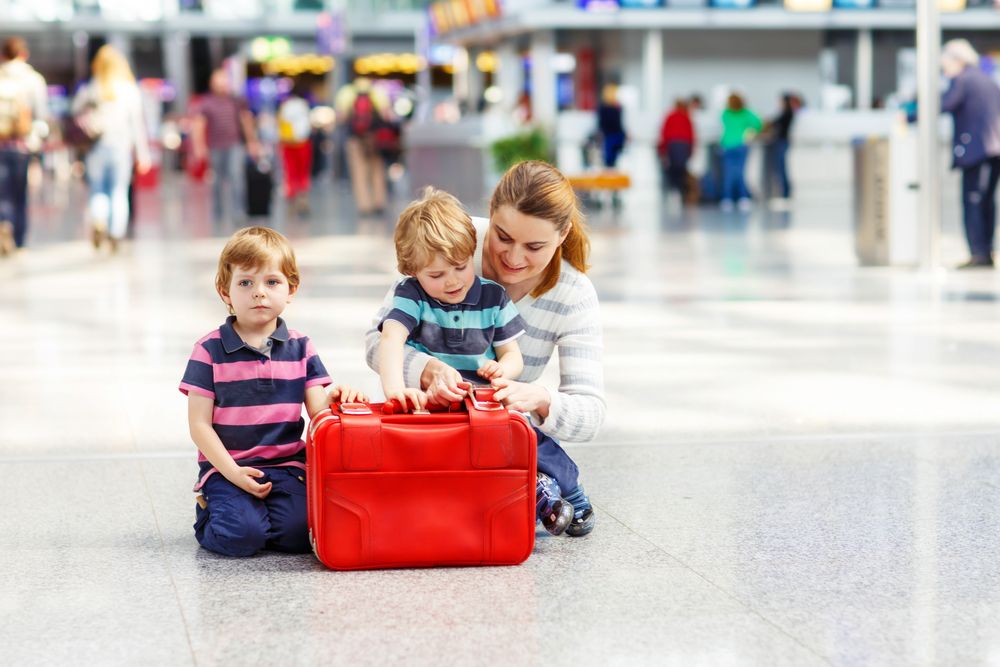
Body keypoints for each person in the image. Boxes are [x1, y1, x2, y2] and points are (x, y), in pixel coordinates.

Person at [365, 161, 605, 537]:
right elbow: (377, 342)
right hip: (441, 416)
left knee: (518, 451)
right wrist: (429, 373)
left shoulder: (573, 294)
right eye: (503, 237)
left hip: (498, 418)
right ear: (489, 215)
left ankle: (557, 493)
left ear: (562, 236)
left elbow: (590, 412)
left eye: (534, 246)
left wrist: (537, 397)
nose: (513, 258)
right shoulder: (450, 240)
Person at [179, 226, 364, 557]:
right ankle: (211, 510)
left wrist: (337, 400)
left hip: (287, 467)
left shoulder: (301, 346)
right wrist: (233, 473)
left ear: (291, 289)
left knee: (298, 536)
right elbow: (199, 425)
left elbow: (319, 413)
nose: (259, 293)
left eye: (272, 282)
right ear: (225, 291)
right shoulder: (208, 350)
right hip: (227, 467)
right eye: (245, 283)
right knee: (241, 538)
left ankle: (257, 515)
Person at [72, 45, 150, 253]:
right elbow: (137, 125)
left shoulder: (91, 87)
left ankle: (99, 220)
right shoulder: (128, 89)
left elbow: (74, 111)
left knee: (97, 190)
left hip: (95, 147)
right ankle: (115, 233)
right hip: (120, 148)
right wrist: (143, 154)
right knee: (118, 191)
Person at [940, 39, 1000, 269]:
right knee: (987, 202)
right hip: (994, 150)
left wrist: (909, 115)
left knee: (973, 201)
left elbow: (943, 104)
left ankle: (978, 254)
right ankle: (987, 251)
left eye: (945, 64)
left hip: (976, 151)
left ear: (958, 60)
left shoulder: (963, 81)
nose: (945, 70)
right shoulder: (987, 79)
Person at [191, 68, 260, 226]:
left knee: (236, 177)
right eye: (218, 80)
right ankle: (217, 213)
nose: (222, 84)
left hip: (235, 145)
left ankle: (239, 212)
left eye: (224, 80)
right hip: (215, 146)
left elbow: (246, 121)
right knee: (217, 181)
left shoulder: (236, 101)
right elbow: (199, 125)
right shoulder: (206, 102)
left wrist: (252, 142)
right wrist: (199, 147)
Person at [0, 37, 48, 255]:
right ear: (24, 55)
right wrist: (36, 143)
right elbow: (41, 117)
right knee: (20, 195)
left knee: (2, 193)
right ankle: (19, 240)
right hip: (22, 147)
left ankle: (4, 225)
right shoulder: (33, 80)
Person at [335, 77, 388, 216]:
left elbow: (341, 118)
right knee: (377, 170)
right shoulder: (378, 93)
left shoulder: (347, 93)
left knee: (359, 172)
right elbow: (387, 116)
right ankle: (379, 203)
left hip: (355, 140)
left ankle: (364, 206)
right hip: (375, 139)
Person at [719, 92, 762, 213]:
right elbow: (758, 124)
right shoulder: (746, 113)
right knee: (740, 172)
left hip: (727, 145)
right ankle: (743, 198)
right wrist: (750, 131)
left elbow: (723, 126)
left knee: (729, 173)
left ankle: (727, 198)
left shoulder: (726, 113)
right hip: (741, 145)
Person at [277, 83, 313, 217]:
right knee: (303, 172)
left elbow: (281, 123)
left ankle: (291, 202)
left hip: (288, 143)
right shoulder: (304, 105)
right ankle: (303, 200)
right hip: (303, 143)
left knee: (290, 172)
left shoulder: (285, 105)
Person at [764, 93, 798, 210]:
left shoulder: (788, 113)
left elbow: (775, 123)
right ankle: (784, 193)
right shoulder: (785, 113)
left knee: (781, 168)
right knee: (780, 168)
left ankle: (785, 194)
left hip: (781, 143)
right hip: (780, 142)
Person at [657, 98, 695, 203]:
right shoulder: (686, 116)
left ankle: (674, 190)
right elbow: (691, 134)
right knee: (682, 168)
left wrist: (663, 148)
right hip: (684, 145)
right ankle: (681, 191)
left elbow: (664, 132)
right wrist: (691, 149)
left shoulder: (670, 116)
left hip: (672, 144)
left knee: (673, 168)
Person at [597, 83, 626, 169]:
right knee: (610, 160)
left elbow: (619, 123)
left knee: (611, 159)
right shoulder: (609, 108)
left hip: (613, 135)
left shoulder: (616, 107)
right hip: (611, 135)